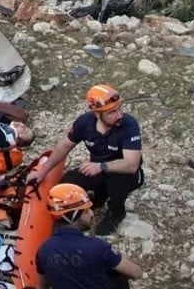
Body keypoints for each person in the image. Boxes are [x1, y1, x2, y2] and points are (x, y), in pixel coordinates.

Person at [29, 84, 143, 236]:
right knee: (68, 181)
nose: (120, 115)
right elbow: (64, 146)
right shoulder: (85, 123)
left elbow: (132, 164)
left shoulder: (129, 125)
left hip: (123, 173)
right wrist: (43, 172)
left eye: (120, 109)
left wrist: (101, 166)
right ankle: (85, 206)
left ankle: (116, 212)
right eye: (112, 112)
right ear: (97, 113)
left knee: (118, 181)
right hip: (98, 169)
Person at [36, 184, 143, 289]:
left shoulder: (43, 251)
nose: (92, 214)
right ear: (75, 216)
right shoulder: (97, 247)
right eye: (86, 211)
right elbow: (136, 273)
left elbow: (42, 286)